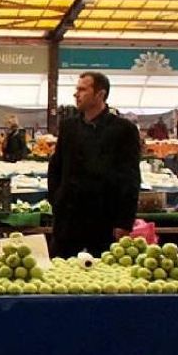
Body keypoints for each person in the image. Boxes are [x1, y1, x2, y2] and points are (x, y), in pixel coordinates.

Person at [48, 72, 142, 258]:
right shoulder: (69, 127)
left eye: (82, 89)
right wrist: (56, 199)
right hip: (68, 219)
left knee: (103, 278)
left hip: (103, 219)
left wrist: (124, 222)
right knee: (58, 273)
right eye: (77, 89)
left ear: (100, 94)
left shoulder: (123, 130)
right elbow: (56, 166)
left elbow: (130, 178)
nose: (76, 94)